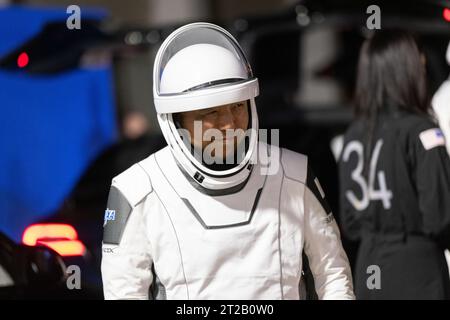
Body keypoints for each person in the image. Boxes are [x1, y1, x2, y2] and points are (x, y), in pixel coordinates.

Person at [101, 22, 354, 300]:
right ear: (175, 118)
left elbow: (333, 274)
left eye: (236, 106)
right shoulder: (136, 189)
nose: (230, 124)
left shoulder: (293, 173)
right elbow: (123, 292)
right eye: (212, 112)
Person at [339, 30, 450, 299]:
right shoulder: (422, 132)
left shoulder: (354, 134)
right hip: (418, 271)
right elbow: (440, 217)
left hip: (370, 266)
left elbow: (350, 223)